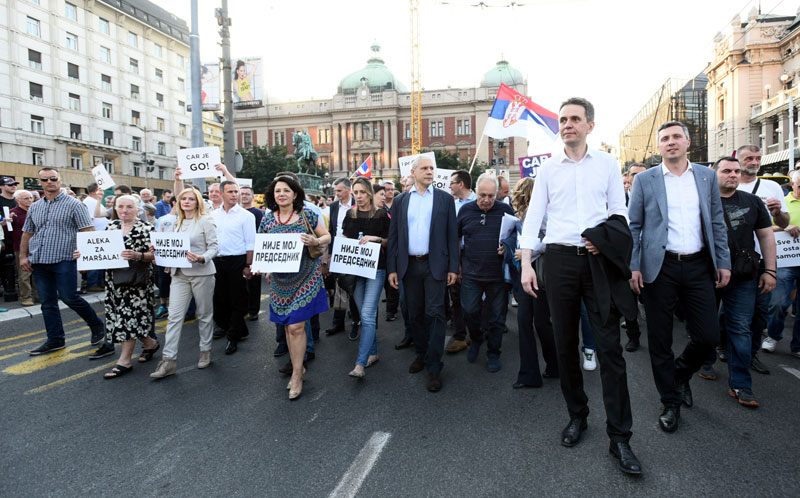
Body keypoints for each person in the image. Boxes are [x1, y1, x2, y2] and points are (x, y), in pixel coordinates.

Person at [520, 98, 641, 474]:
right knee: (564, 345)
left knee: (609, 349)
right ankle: (578, 415)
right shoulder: (548, 169)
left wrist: (602, 238)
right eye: (563, 119)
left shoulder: (606, 163)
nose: (568, 124)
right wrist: (526, 263)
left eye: (575, 119)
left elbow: (618, 212)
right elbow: (533, 217)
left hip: (596, 261)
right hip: (556, 262)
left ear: (590, 124)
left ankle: (620, 437)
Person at [628, 121, 731, 435]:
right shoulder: (645, 180)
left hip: (699, 265)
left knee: (708, 337)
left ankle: (679, 375)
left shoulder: (706, 175)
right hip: (660, 268)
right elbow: (634, 226)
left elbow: (715, 221)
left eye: (676, 137)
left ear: (688, 142)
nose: (671, 142)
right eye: (665, 139)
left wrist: (723, 261)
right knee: (660, 340)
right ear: (659, 146)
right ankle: (670, 402)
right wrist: (633, 266)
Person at [706, 157, 776, 406]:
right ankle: (705, 361)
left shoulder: (753, 201)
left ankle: (741, 384)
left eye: (736, 171)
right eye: (727, 171)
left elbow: (766, 236)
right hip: (707, 274)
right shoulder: (701, 200)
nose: (733, 175)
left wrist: (770, 270)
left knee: (740, 328)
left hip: (744, 275)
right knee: (706, 327)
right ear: (714, 173)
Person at [388, 155, 458, 392]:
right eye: (425, 168)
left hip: (434, 265)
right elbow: (395, 237)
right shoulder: (400, 201)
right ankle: (421, 353)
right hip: (409, 266)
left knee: (435, 313)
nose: (430, 172)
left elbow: (451, 236)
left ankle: (434, 367)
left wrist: (453, 268)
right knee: (413, 313)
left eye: (432, 168)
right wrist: (392, 269)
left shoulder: (444, 200)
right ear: (413, 172)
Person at [21, 168, 106, 355]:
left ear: (60, 180)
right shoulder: (35, 206)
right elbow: (27, 233)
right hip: (40, 260)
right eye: (45, 179)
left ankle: (97, 326)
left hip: (64, 259)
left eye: (53, 178)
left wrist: (86, 258)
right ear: (40, 182)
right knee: (47, 302)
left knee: (69, 297)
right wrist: (22, 256)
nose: (49, 181)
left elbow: (88, 231)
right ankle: (55, 339)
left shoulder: (75, 205)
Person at [260, 175, 330, 399]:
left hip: (306, 276)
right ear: (273, 195)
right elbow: (263, 248)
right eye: (278, 191)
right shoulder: (267, 220)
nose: (281, 194)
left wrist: (316, 241)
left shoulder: (307, 214)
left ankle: (297, 374)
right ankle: (299, 367)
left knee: (297, 326)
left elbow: (327, 236)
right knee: (289, 327)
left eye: (286, 190)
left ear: (295, 194)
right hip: (280, 281)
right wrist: (266, 268)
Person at [77, 195, 158, 378]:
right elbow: (101, 252)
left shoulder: (146, 228)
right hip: (114, 281)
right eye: (120, 206)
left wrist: (137, 255)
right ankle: (150, 343)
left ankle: (124, 361)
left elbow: (155, 256)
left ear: (138, 209)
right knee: (122, 316)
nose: (124, 210)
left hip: (136, 283)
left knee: (127, 317)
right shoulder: (111, 226)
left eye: (129, 206)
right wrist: (83, 255)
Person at [151, 188, 218, 378]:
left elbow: (214, 247)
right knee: (174, 317)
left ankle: (205, 351)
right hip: (179, 274)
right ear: (178, 202)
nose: (187, 202)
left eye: (191, 199)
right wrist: (158, 250)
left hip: (202, 274)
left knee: (204, 314)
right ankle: (168, 361)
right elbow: (172, 246)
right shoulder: (176, 222)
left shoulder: (206, 220)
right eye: (183, 199)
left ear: (198, 202)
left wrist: (202, 258)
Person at [458, 173, 514, 372]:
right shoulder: (465, 211)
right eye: (482, 195)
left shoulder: (506, 211)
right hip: (471, 274)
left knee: (497, 318)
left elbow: (516, 236)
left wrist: (507, 247)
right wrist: (457, 266)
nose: (486, 200)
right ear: (476, 193)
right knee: (470, 311)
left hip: (497, 275)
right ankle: (476, 339)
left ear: (496, 194)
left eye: (491, 195)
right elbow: (456, 239)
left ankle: (493, 352)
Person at [508, 177, 558, 388]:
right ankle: (547, 368)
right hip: (534, 272)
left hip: (538, 272)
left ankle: (544, 369)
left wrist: (528, 251)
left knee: (535, 323)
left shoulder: (539, 211)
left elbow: (551, 237)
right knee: (535, 322)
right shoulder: (528, 213)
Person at [342, 178, 390, 379]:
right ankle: (373, 352)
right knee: (364, 315)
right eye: (356, 192)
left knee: (368, 315)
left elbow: (390, 241)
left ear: (370, 193)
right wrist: (344, 242)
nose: (359, 196)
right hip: (355, 271)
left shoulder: (380, 215)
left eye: (362, 192)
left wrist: (376, 239)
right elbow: (344, 237)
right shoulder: (349, 214)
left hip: (376, 270)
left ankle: (360, 364)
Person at [211, 181, 255, 355]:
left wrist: (248, 265)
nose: (234, 195)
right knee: (220, 300)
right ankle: (238, 329)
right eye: (230, 191)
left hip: (238, 261)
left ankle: (233, 337)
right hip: (217, 261)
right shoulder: (213, 215)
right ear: (222, 193)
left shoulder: (246, 216)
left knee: (238, 299)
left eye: (236, 191)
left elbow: (251, 243)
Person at [764, 170, 800, 359]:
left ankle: (797, 346)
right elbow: (765, 228)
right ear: (792, 185)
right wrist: (785, 226)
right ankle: (772, 335)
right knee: (779, 302)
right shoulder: (783, 203)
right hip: (787, 260)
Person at [324, 178, 361, 338]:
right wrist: (330, 254)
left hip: (355, 252)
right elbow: (332, 230)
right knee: (339, 287)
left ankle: (356, 321)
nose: (336, 194)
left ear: (348, 190)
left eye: (339, 191)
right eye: (335, 191)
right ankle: (337, 324)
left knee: (352, 288)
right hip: (338, 251)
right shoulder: (333, 206)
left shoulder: (358, 203)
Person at [445, 170, 475, 354]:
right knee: (455, 295)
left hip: (475, 256)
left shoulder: (479, 202)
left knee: (475, 296)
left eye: (452, 183)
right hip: (456, 254)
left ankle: (476, 333)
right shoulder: (452, 205)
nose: (450, 186)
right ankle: (460, 335)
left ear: (461, 184)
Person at [240, 185, 264, 321]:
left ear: (252, 197)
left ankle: (253, 310)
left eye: (247, 194)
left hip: (254, 253)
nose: (244, 196)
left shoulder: (258, 213)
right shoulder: (235, 212)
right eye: (242, 194)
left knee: (253, 284)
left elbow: (260, 235)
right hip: (239, 253)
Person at [10, 190, 37, 306]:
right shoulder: (13, 213)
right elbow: (8, 233)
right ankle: (26, 297)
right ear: (18, 200)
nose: (29, 200)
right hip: (21, 247)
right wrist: (7, 223)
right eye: (26, 198)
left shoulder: (36, 210)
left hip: (37, 246)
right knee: (24, 273)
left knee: (38, 272)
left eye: (31, 198)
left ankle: (39, 295)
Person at [83, 183, 109, 292]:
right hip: (95, 235)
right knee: (95, 261)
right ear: (96, 190)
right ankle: (93, 283)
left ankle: (99, 282)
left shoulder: (95, 201)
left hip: (101, 235)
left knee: (101, 261)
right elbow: (89, 219)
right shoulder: (88, 202)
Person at [0, 176, 18, 302]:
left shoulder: (18, 200)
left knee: (15, 264)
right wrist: (2, 222)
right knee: (4, 264)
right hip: (3, 238)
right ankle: (7, 288)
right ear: (1, 186)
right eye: (9, 184)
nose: (13, 186)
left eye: (14, 184)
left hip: (17, 237)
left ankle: (13, 287)